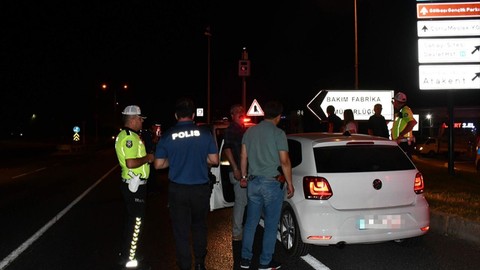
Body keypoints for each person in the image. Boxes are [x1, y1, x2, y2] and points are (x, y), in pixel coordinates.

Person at [153, 97, 219, 270]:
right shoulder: (204, 134)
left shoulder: (167, 135)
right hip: (200, 190)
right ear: (193, 116)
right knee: (199, 226)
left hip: (178, 191)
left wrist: (173, 161)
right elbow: (214, 160)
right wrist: (200, 159)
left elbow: (158, 164)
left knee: (181, 230)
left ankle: (184, 265)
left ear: (176, 115)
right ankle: (199, 262)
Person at [239, 100, 294, 270]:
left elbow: (243, 156)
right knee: (271, 225)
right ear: (278, 116)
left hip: (253, 182)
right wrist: (290, 183)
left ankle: (245, 259)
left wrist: (243, 176)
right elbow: (284, 161)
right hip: (271, 183)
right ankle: (265, 262)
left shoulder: (250, 131)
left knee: (250, 223)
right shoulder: (279, 133)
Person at [114, 105, 154, 269]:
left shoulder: (130, 135)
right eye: (139, 119)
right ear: (132, 119)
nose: (141, 122)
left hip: (134, 184)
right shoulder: (129, 137)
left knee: (132, 221)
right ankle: (130, 260)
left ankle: (127, 253)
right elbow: (131, 163)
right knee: (136, 221)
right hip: (134, 185)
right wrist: (148, 158)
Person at [223, 104, 247, 242]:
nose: (240, 113)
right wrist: (236, 168)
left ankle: (242, 229)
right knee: (241, 201)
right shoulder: (231, 129)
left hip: (245, 171)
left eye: (242, 111)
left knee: (245, 201)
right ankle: (237, 233)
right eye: (237, 111)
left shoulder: (242, 129)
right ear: (232, 115)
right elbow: (227, 149)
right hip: (237, 171)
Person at [391, 92, 417, 158]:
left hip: (404, 142)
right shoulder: (400, 112)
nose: (393, 103)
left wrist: (401, 135)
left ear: (398, 102)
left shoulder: (405, 110)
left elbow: (412, 123)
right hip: (401, 142)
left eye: (394, 101)